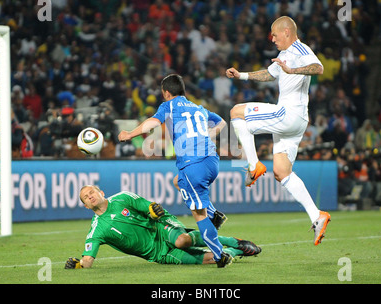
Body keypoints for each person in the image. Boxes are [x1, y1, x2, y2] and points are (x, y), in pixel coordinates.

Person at [225, 16, 331, 246]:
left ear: (286, 32)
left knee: (236, 112)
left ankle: (253, 165)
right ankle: (317, 215)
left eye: (274, 34)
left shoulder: (300, 49)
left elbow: (318, 67)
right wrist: (241, 75)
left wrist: (293, 71)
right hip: (296, 121)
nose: (271, 39)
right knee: (282, 172)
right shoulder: (283, 55)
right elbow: (269, 74)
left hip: (289, 114)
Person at [118, 74, 232, 267]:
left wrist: (130, 133)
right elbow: (222, 122)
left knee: (199, 214)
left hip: (192, 164)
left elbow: (153, 123)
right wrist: (210, 133)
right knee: (177, 182)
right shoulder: (199, 108)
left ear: (166, 93)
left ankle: (219, 255)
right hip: (212, 161)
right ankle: (214, 214)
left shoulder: (168, 106)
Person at [65, 185, 261, 269]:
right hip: (157, 254)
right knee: (212, 260)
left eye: (92, 192)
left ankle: (235, 242)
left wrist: (153, 210)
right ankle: (235, 250)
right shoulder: (96, 230)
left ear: (101, 192)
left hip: (160, 226)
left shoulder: (122, 198)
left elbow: (148, 206)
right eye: (86, 197)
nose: (90, 196)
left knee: (182, 240)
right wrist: (79, 264)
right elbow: (88, 259)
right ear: (86, 206)